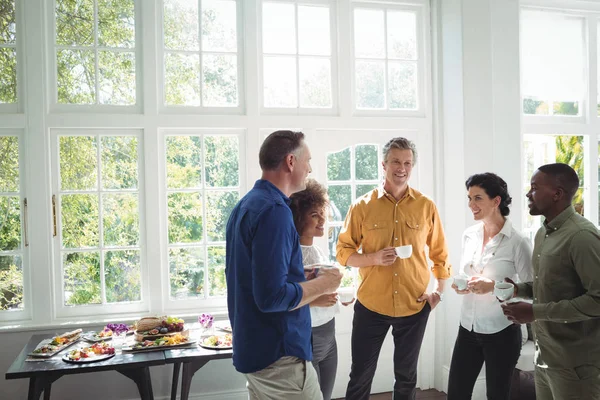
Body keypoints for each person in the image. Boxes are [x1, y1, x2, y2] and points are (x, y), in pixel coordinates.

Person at [225, 130, 343, 400]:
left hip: (254, 351)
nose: (309, 168)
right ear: (291, 162)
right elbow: (271, 297)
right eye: (307, 161)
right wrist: (324, 284)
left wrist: (307, 275)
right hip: (280, 357)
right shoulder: (276, 212)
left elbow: (254, 277)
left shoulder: (245, 206)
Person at [336, 137, 451, 400]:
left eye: (408, 163)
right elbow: (343, 253)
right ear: (383, 165)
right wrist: (373, 259)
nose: (402, 168)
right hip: (371, 306)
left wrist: (438, 292)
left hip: (414, 306)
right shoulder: (362, 206)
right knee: (361, 376)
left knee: (407, 377)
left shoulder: (426, 206)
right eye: (396, 161)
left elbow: (440, 255)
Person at [501, 163, 600, 400]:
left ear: (557, 193)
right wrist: (519, 289)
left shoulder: (582, 236)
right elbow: (552, 284)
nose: (527, 193)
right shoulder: (543, 233)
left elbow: (597, 300)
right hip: (545, 357)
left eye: (534, 187)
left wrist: (535, 312)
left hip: (575, 364)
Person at [447, 173, 533, 400]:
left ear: (496, 201)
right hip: (468, 327)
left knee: (497, 395)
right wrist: (462, 285)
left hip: (502, 331)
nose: (470, 205)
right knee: (456, 394)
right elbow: (466, 273)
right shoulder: (469, 235)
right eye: (469, 198)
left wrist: (492, 286)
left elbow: (532, 289)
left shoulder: (518, 241)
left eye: (477, 198)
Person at [289, 178, 355, 400]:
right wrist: (315, 300)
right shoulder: (293, 255)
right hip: (311, 336)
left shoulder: (315, 251)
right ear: (298, 218)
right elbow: (287, 297)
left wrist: (336, 298)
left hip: (329, 335)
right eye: (314, 215)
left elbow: (317, 288)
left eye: (322, 213)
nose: (322, 220)